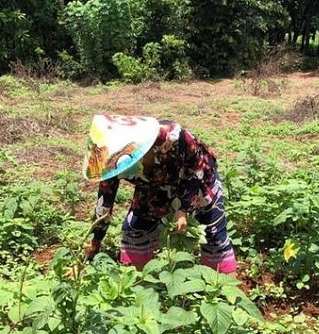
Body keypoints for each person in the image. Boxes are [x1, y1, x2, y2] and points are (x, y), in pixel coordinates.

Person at [82, 114, 237, 274]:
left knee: (213, 235)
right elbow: (104, 206)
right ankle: (142, 284)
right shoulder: (110, 164)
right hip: (153, 186)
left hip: (197, 180)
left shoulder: (171, 135)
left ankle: (225, 291)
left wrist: (183, 209)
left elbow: (196, 168)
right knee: (134, 230)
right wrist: (94, 242)